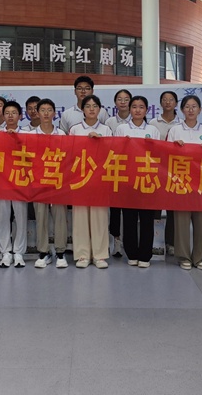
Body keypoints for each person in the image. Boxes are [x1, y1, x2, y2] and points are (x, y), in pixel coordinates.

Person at [167, 95, 202, 270]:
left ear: (200, 109)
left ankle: (200, 257)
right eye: (187, 106)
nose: (191, 110)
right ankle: (183, 256)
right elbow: (166, 154)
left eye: (194, 106)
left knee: (201, 220)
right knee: (181, 220)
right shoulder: (175, 131)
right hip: (181, 180)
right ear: (182, 110)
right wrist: (175, 147)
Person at [114, 95, 161, 268]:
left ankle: (145, 255)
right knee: (129, 219)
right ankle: (131, 253)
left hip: (148, 179)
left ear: (147, 110)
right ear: (130, 109)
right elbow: (115, 153)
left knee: (147, 219)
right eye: (134, 107)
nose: (137, 110)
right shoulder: (121, 129)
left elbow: (159, 155)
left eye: (141, 107)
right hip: (128, 180)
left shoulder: (153, 130)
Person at [69, 94, 112, 268]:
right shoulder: (75, 129)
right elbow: (69, 153)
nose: (92, 109)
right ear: (83, 110)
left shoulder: (106, 129)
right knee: (80, 217)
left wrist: (100, 142)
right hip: (79, 178)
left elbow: (112, 153)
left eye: (95, 106)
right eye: (88, 106)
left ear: (100, 109)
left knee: (99, 217)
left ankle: (100, 255)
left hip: (99, 178)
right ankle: (82, 255)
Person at [30, 98, 69, 268]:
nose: (46, 113)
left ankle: (60, 252)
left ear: (55, 113)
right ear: (37, 113)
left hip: (58, 181)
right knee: (41, 216)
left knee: (60, 216)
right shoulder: (30, 135)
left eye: (49, 110)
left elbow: (68, 158)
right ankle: (43, 252)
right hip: (38, 181)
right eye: (42, 110)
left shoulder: (62, 134)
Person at [0, 100, 29, 267]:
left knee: (21, 216)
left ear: (20, 116)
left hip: (20, 180)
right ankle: (6, 252)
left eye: (14, 113)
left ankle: (19, 252)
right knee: (2, 216)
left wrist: (18, 139)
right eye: (7, 113)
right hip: (1, 180)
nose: (10, 116)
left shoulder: (27, 134)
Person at [150, 90, 181, 256]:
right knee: (155, 208)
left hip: (175, 170)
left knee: (173, 208)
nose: (168, 102)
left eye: (171, 99)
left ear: (176, 103)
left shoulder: (182, 124)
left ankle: (171, 242)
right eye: (164, 99)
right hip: (156, 169)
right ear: (160, 103)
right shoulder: (153, 123)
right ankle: (156, 242)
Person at [104, 89, 132, 258]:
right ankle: (116, 241)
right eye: (119, 99)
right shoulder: (109, 122)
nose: (123, 102)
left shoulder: (138, 121)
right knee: (114, 207)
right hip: (114, 168)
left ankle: (128, 241)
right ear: (115, 102)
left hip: (133, 169)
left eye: (126, 99)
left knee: (129, 207)